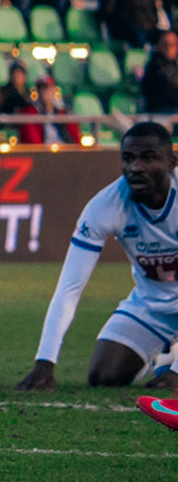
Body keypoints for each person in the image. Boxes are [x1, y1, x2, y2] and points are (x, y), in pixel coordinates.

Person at [18, 124, 178, 392]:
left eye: (148, 158)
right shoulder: (105, 206)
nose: (136, 167)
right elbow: (70, 287)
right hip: (153, 306)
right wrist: (45, 362)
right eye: (128, 158)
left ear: (172, 162)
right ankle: (166, 354)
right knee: (104, 376)